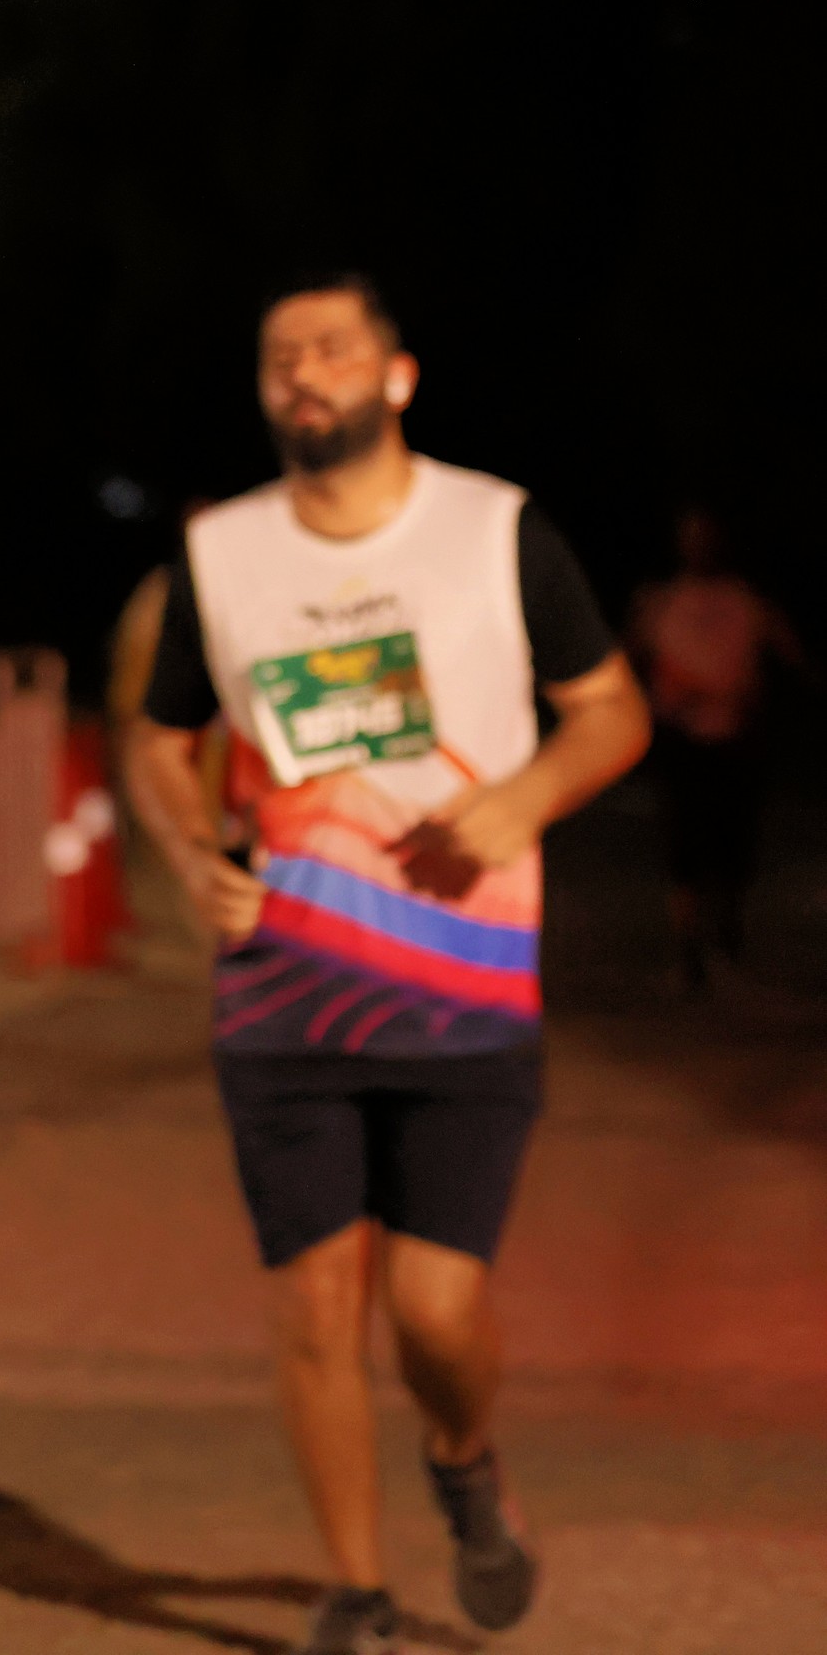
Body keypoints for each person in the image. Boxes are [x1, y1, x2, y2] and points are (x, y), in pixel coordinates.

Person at [124, 274, 650, 1655]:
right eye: (280, 354)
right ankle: (354, 1589)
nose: (307, 371)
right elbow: (158, 739)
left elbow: (610, 712)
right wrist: (190, 853)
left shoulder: (497, 528)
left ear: (398, 375)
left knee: (433, 1305)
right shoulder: (221, 552)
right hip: (281, 984)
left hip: (462, 980)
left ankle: (465, 1461)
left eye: (335, 347)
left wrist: (526, 798)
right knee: (315, 1308)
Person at [627, 509, 803, 990]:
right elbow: (626, 659)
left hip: (737, 739)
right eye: (691, 537)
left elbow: (788, 655)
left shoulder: (746, 600)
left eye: (706, 537)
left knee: (734, 843)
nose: (699, 546)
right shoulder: (662, 601)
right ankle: (689, 949)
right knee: (684, 846)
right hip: (682, 740)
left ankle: (727, 928)